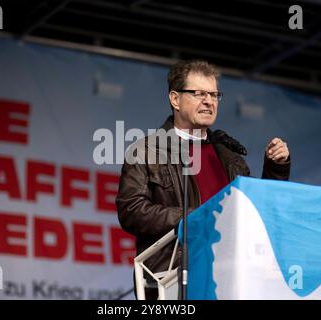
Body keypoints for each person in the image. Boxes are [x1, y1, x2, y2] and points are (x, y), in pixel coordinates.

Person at [116, 59, 290, 299]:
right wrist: (192, 218)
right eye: (199, 94)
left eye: (214, 94)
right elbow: (131, 210)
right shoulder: (147, 151)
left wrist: (276, 169)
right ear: (175, 99)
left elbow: (260, 214)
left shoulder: (231, 157)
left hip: (234, 277)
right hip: (176, 279)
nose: (209, 101)